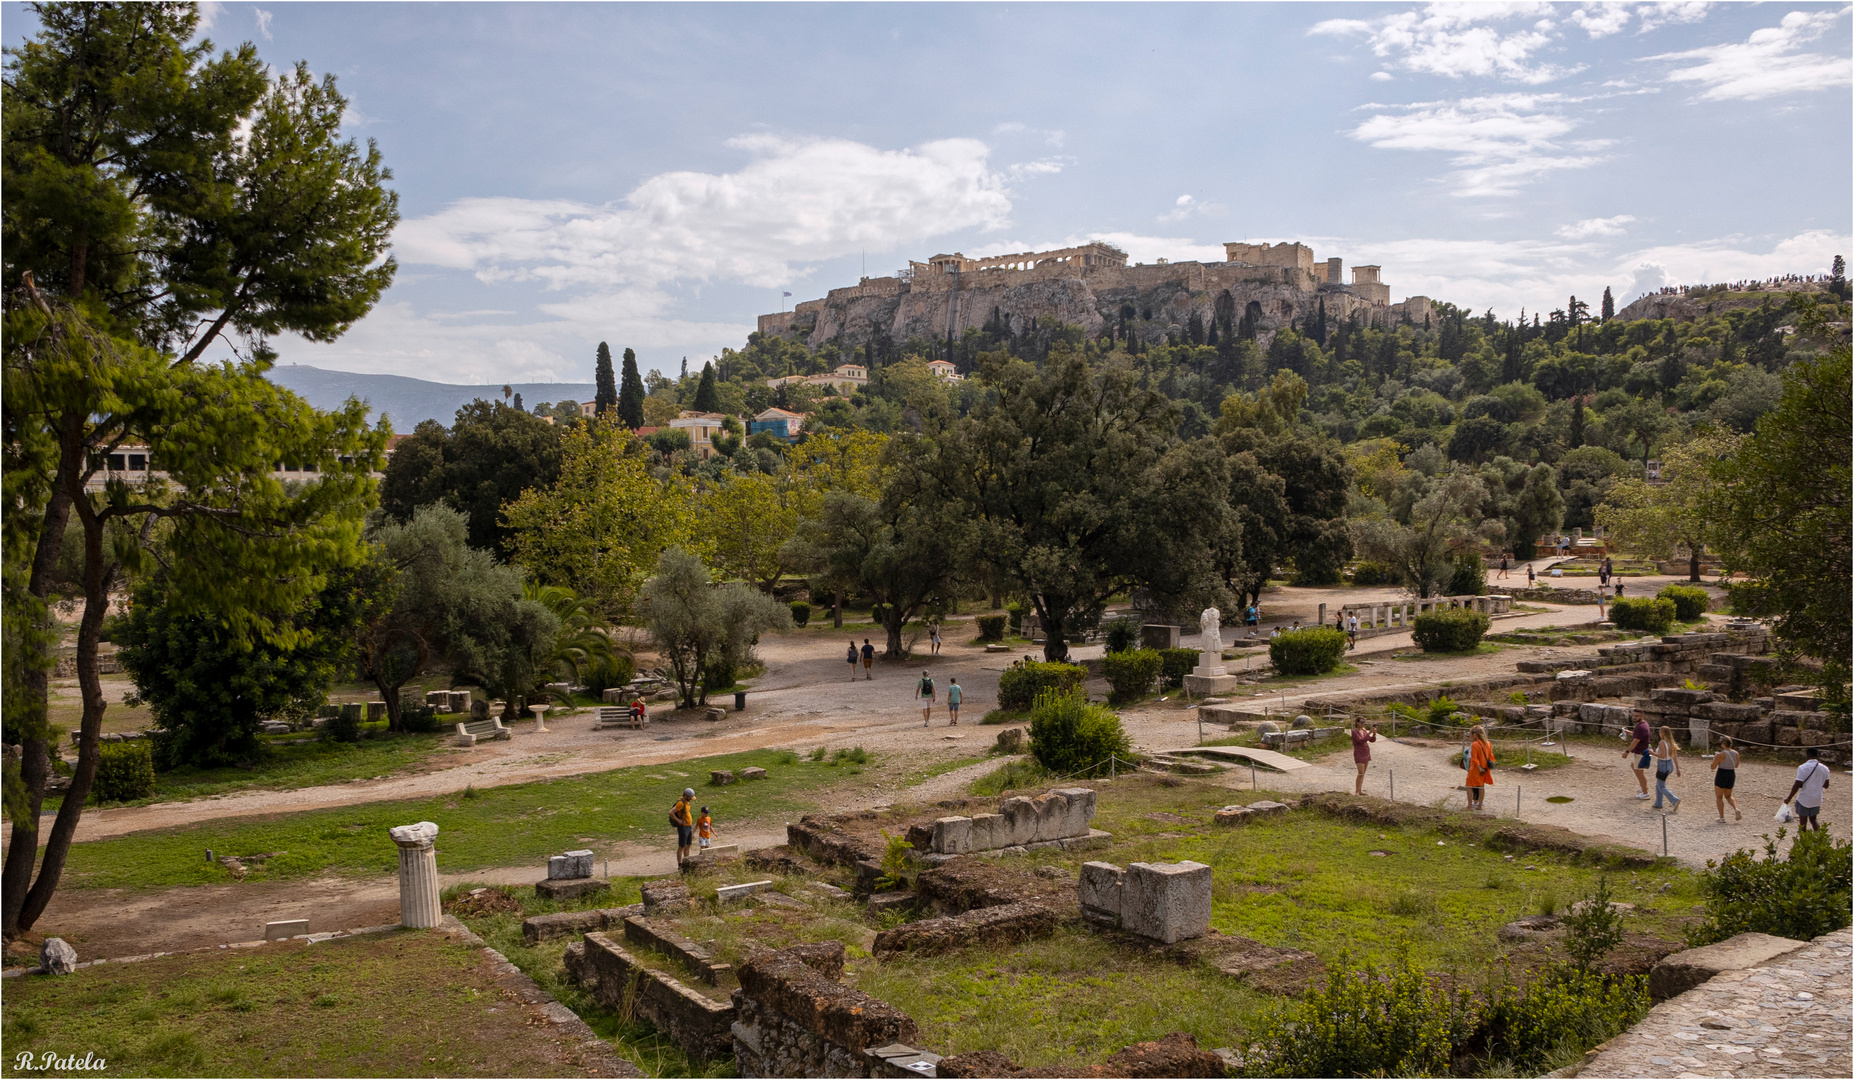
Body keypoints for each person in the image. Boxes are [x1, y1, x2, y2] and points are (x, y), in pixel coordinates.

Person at [1784, 748, 1832, 832]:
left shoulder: (1802, 768)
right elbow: (1826, 785)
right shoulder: (1825, 768)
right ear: (1817, 756)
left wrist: (1789, 798)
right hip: (1817, 798)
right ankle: (1819, 838)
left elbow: (1797, 784)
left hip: (1804, 798)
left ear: (1807, 755)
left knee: (1803, 822)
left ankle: (1803, 842)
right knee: (1813, 819)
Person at [1711, 735, 1741, 823]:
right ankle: (1736, 809)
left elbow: (1713, 766)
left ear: (1723, 744)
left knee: (1719, 796)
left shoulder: (1720, 755)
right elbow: (1736, 765)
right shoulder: (1736, 753)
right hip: (1731, 774)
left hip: (1722, 773)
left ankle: (1722, 817)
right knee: (1728, 795)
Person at [1652, 725, 1681, 811]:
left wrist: (1652, 753)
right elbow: (1675, 756)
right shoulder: (1671, 743)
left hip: (1663, 765)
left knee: (1661, 786)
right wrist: (1678, 768)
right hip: (1669, 764)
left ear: (1662, 733)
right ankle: (1658, 802)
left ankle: (1674, 800)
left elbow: (1662, 755)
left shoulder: (1662, 743)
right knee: (1658, 784)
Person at [1465, 726, 1495, 810]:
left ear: (1475, 734)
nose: (1470, 735)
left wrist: (1479, 767)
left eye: (1471, 733)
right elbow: (1491, 756)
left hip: (1475, 769)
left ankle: (1470, 805)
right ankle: (1479, 805)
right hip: (1485, 768)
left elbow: (1474, 758)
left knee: (1469, 786)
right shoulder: (1488, 743)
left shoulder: (1475, 744)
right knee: (1481, 786)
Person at [1624, 714, 1653, 799]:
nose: (1634, 717)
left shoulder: (1641, 727)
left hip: (1640, 752)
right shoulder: (1643, 725)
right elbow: (1639, 736)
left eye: (1637, 716)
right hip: (1640, 752)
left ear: (1642, 716)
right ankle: (1642, 785)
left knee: (1640, 773)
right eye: (1634, 716)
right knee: (1634, 766)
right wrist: (1632, 733)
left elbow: (1636, 741)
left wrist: (1627, 751)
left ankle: (1645, 792)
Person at [1351, 716, 1376, 796]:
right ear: (1357, 723)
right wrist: (1369, 733)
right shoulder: (1354, 731)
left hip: (1366, 752)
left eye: (1364, 722)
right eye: (1362, 722)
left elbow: (1371, 740)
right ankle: (1357, 791)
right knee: (1360, 772)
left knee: (1363, 773)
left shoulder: (1364, 731)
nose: (1363, 724)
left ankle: (1360, 789)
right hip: (1359, 752)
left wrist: (1374, 733)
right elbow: (1361, 740)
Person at [670, 787, 696, 866]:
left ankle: (687, 862)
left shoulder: (687, 802)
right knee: (681, 846)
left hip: (689, 826)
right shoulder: (680, 803)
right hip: (683, 827)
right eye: (690, 797)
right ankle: (680, 864)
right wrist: (678, 820)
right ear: (686, 795)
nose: (691, 799)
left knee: (688, 845)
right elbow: (670, 812)